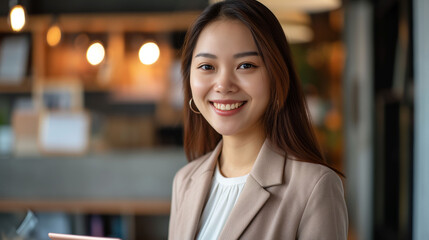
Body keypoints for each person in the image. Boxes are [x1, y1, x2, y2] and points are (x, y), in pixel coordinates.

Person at [168, 0, 348, 239]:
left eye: (245, 65)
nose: (223, 85)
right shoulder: (185, 181)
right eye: (207, 66)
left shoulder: (315, 187)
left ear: (276, 77)